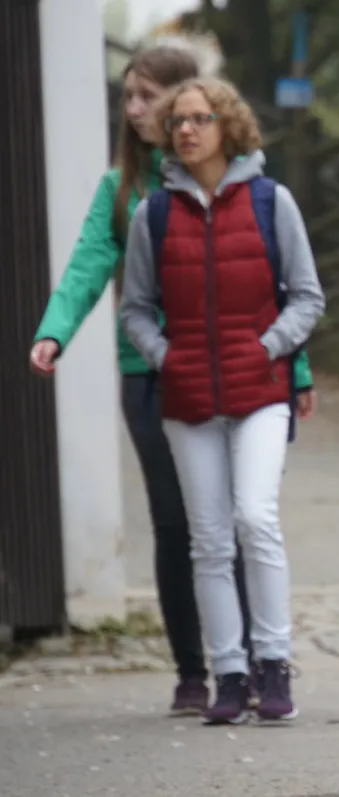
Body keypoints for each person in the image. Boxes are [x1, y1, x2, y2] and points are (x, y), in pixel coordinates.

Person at [28, 40, 317, 716]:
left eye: (148, 96)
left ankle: (260, 660)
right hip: (158, 372)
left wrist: (289, 363)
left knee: (248, 515)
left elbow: (280, 288)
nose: (137, 109)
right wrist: (54, 330)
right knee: (184, 521)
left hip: (248, 370)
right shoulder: (129, 190)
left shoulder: (261, 195)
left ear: (203, 107)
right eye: (128, 97)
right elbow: (90, 265)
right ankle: (200, 666)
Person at [119, 76, 326, 725]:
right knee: (208, 539)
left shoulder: (271, 201)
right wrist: (165, 356)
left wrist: (269, 348)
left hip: (260, 388)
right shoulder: (153, 213)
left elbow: (308, 295)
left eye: (200, 117)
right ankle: (229, 673)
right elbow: (135, 309)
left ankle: (274, 661)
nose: (187, 129)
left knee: (255, 517)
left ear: (226, 125)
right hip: (187, 396)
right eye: (177, 119)